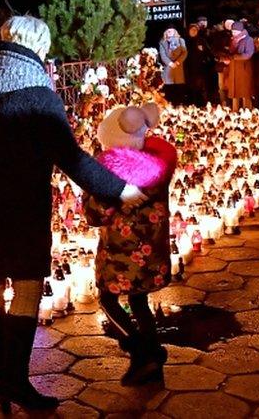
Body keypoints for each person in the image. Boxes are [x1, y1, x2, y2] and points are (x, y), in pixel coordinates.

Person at [0, 15, 146, 412]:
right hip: (20, 208)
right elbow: (71, 158)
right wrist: (119, 189)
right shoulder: (39, 96)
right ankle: (16, 381)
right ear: (37, 48)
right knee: (25, 288)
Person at [86, 104, 177, 386]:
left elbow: (95, 213)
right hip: (152, 251)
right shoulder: (157, 167)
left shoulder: (110, 174)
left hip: (120, 254)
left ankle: (141, 350)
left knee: (108, 299)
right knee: (139, 301)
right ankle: (151, 360)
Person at [225, 21, 255, 110]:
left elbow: (249, 54)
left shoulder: (248, 39)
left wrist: (235, 57)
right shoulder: (234, 40)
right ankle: (235, 109)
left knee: (245, 91)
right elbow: (231, 51)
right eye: (232, 32)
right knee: (235, 91)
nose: (233, 33)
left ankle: (247, 110)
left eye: (235, 32)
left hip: (244, 69)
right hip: (234, 68)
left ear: (240, 31)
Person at [184, 23, 213, 105]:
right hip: (189, 68)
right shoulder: (186, 41)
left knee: (201, 86)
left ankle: (202, 103)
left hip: (200, 68)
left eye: (195, 30)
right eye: (191, 30)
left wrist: (205, 60)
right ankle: (191, 103)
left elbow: (208, 52)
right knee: (191, 87)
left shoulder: (201, 40)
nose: (193, 32)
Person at [158, 27, 188, 104]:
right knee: (169, 87)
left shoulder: (181, 41)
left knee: (179, 87)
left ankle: (179, 104)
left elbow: (184, 53)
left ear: (175, 31)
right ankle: (169, 104)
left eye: (171, 30)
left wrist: (178, 62)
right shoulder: (162, 42)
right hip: (168, 67)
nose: (169, 32)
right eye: (168, 30)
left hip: (178, 66)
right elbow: (163, 55)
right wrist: (170, 63)